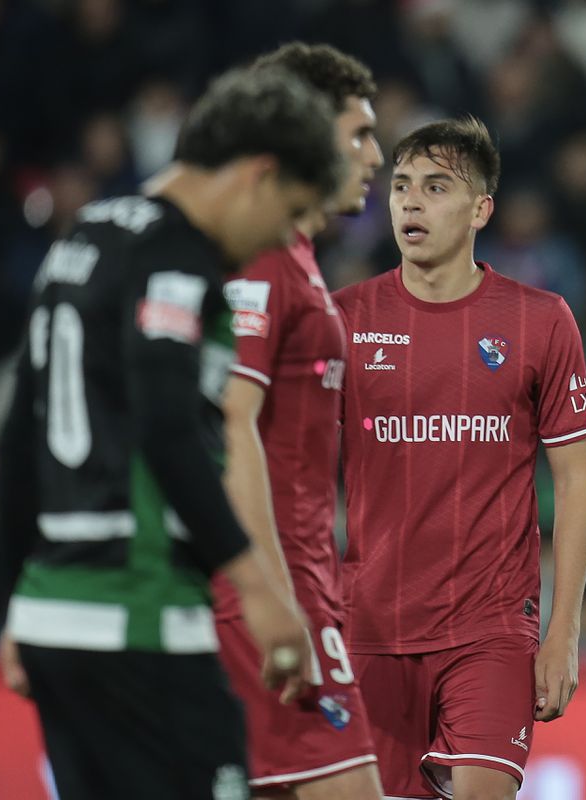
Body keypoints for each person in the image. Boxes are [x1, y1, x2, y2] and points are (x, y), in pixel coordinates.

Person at [0, 67, 342, 800]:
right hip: (141, 611)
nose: (276, 240)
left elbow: (15, 441)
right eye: (290, 213)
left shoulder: (80, 239)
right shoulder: (175, 256)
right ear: (259, 174)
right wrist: (261, 590)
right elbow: (167, 428)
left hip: (56, 614)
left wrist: (19, 601)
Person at [332, 117, 586, 800]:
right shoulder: (343, 320)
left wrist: (563, 632)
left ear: (481, 209)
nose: (411, 203)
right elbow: (292, 476)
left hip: (491, 628)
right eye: (400, 187)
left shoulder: (539, 320)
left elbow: (575, 480)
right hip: (370, 626)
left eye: (435, 187)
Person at [210, 42, 384, 799]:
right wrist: (271, 596)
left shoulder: (299, 259)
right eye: (358, 135)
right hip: (274, 593)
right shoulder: (263, 262)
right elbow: (230, 420)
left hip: (297, 584)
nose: (376, 156)